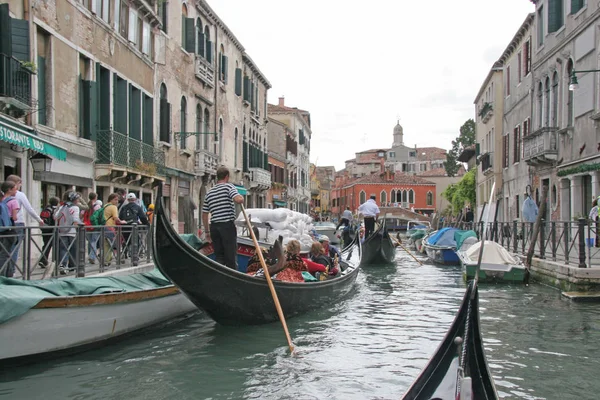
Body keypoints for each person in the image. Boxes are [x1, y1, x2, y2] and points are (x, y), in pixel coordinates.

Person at [202, 166, 244, 270]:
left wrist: (207, 232)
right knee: (231, 257)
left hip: (214, 228)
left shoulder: (209, 192)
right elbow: (238, 199)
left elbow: (204, 214)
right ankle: (233, 281)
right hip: (227, 226)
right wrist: (241, 197)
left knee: (219, 257)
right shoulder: (228, 187)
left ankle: (220, 279)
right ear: (227, 176)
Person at [5, 175, 44, 269]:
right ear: (15, 184)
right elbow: (29, 209)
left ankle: (4, 269)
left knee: (5, 248)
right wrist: (39, 220)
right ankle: (11, 270)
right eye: (19, 183)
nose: (20, 185)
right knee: (15, 248)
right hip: (18, 223)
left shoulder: (3, 194)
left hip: (5, 224)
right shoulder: (19, 195)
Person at [54, 191, 83, 274]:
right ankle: (72, 266)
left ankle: (62, 265)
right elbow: (75, 220)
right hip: (72, 231)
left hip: (62, 230)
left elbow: (56, 217)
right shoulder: (75, 208)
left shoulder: (63, 206)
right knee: (73, 249)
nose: (78, 200)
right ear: (74, 199)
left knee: (63, 248)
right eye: (77, 199)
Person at [119, 193, 149, 259]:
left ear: (127, 199)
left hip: (125, 227)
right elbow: (143, 217)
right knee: (135, 241)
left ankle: (124, 253)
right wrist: (147, 224)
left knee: (126, 240)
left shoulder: (124, 207)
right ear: (135, 199)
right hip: (134, 227)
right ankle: (135, 256)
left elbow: (120, 217)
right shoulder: (137, 207)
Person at [0, 181, 19, 277]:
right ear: (9, 190)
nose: (17, 190)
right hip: (9, 229)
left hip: (1, 230)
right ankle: (6, 274)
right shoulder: (13, 201)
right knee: (7, 253)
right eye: (15, 188)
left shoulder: (2, 200)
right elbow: (15, 217)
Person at [103, 193, 126, 267]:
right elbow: (116, 218)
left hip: (103, 226)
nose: (117, 201)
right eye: (115, 200)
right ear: (111, 199)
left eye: (117, 200)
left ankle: (106, 260)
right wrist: (122, 222)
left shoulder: (105, 205)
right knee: (112, 244)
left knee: (106, 244)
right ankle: (114, 259)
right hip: (110, 227)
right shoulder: (113, 207)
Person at [39, 196, 60, 268]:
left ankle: (43, 260)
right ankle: (56, 262)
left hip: (45, 229)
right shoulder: (55, 209)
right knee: (56, 246)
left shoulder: (45, 208)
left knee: (46, 245)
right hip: (52, 229)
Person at [82, 192, 102, 264]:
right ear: (95, 198)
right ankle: (92, 257)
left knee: (90, 242)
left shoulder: (86, 206)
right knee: (94, 242)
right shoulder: (97, 206)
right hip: (95, 226)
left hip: (87, 226)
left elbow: (81, 215)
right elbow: (100, 216)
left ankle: (90, 256)